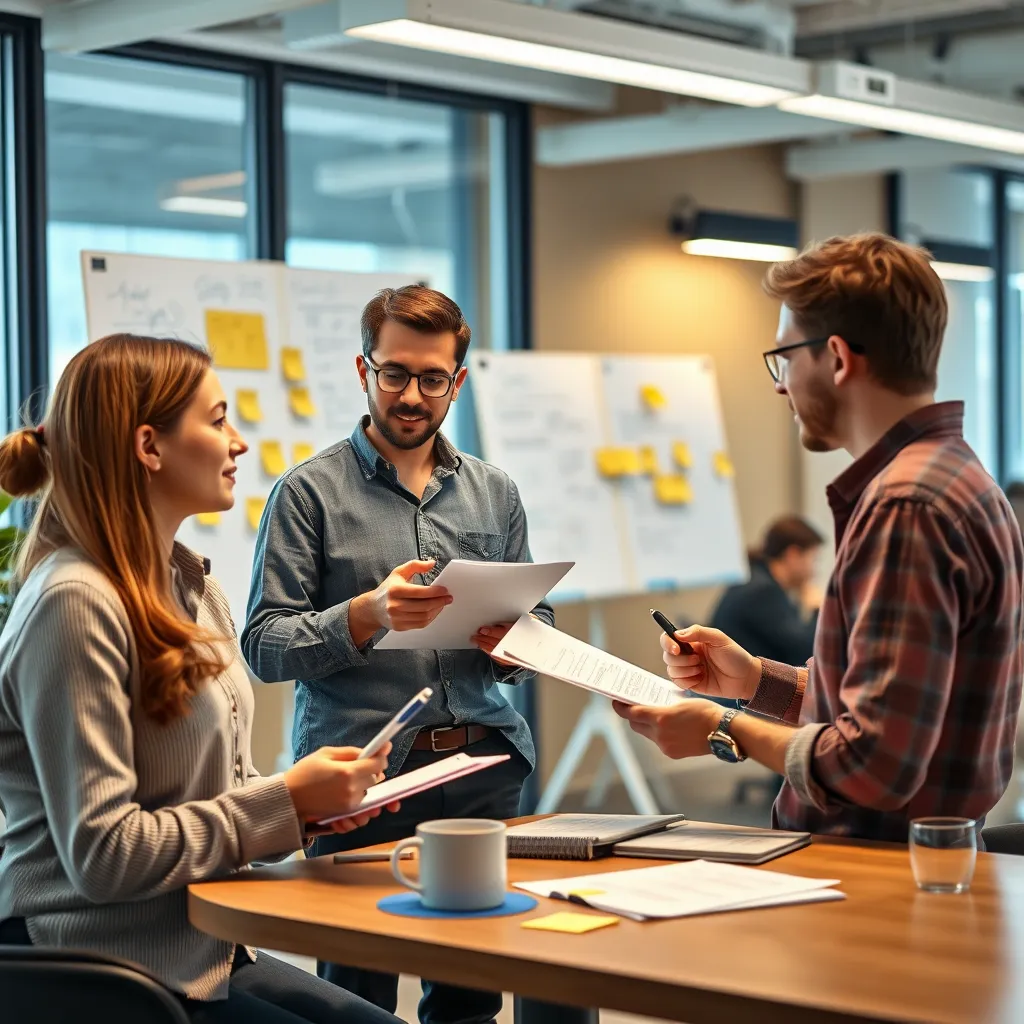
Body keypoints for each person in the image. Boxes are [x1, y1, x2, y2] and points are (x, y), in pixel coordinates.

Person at [0, 334, 402, 1024]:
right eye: (217, 421)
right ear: (149, 447)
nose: (238, 443)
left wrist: (308, 804)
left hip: (203, 948)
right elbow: (105, 855)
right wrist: (285, 803)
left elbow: (211, 792)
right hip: (101, 969)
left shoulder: (191, 586)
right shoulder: (74, 602)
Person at [618, 233, 1024, 843]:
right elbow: (894, 711)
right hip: (911, 861)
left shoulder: (906, 506)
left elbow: (874, 764)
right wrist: (755, 681)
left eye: (784, 359)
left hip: (870, 871)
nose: (780, 386)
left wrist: (722, 729)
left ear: (836, 357)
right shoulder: (957, 476)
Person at [242, 285, 551, 1023]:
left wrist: (515, 643)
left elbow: (533, 614)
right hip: (360, 780)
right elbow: (263, 643)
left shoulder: (494, 493)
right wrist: (366, 615)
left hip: (481, 764)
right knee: (356, 996)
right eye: (395, 374)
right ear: (363, 370)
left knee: (473, 987)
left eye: (432, 378)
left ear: (458, 382)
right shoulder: (307, 494)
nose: (412, 395)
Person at [710, 515, 823, 666]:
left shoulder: (754, 577)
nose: (814, 571)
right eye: (813, 559)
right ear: (793, 555)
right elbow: (805, 652)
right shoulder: (763, 591)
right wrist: (818, 609)